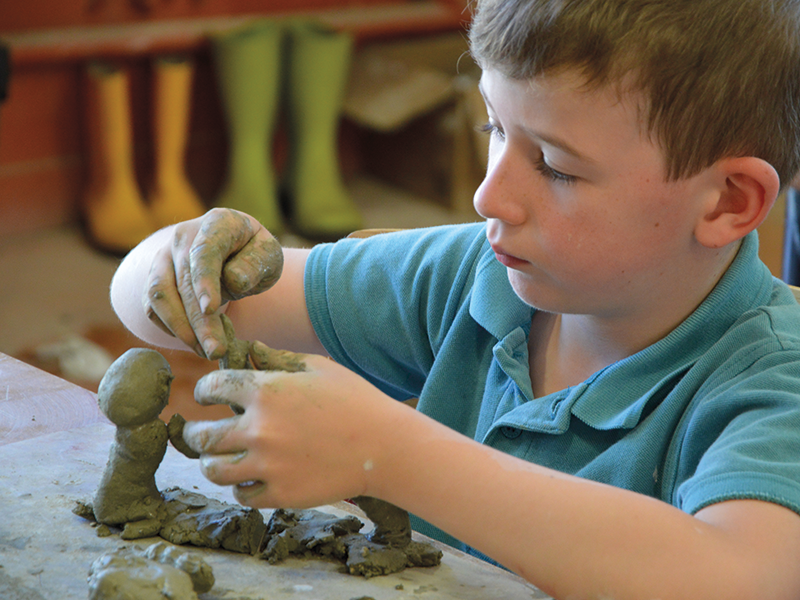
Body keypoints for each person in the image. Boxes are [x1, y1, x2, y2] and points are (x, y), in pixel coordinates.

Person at [109, 0, 800, 597]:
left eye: (556, 166)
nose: (487, 196)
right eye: (494, 129)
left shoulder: (775, 375)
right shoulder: (480, 273)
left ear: (728, 202)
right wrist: (182, 256)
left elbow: (741, 579)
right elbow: (148, 308)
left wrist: (393, 455)